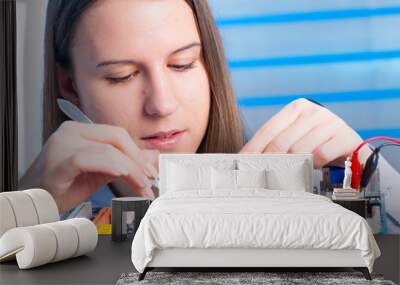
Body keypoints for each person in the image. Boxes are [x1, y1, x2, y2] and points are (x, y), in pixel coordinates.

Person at [19, 0, 374, 214]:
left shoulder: (295, 179)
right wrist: (20, 215)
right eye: (122, 76)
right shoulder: (45, 209)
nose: (162, 104)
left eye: (183, 64)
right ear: (70, 86)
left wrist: (375, 177)